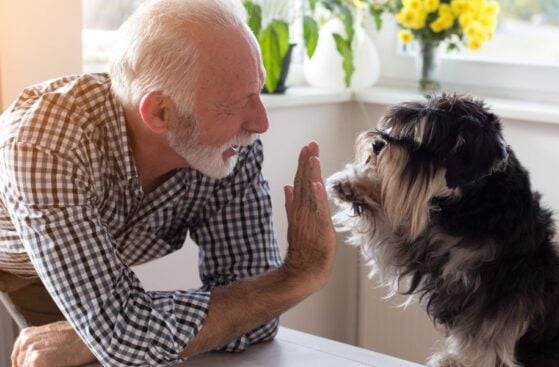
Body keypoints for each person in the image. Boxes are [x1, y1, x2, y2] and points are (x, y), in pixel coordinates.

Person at [0, 0, 337, 366]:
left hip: (71, 259)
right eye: (235, 104)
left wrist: (103, 336)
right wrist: (299, 275)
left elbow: (257, 316)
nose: (260, 123)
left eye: (258, 92)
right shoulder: (47, 144)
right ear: (160, 112)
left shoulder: (230, 148)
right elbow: (126, 337)